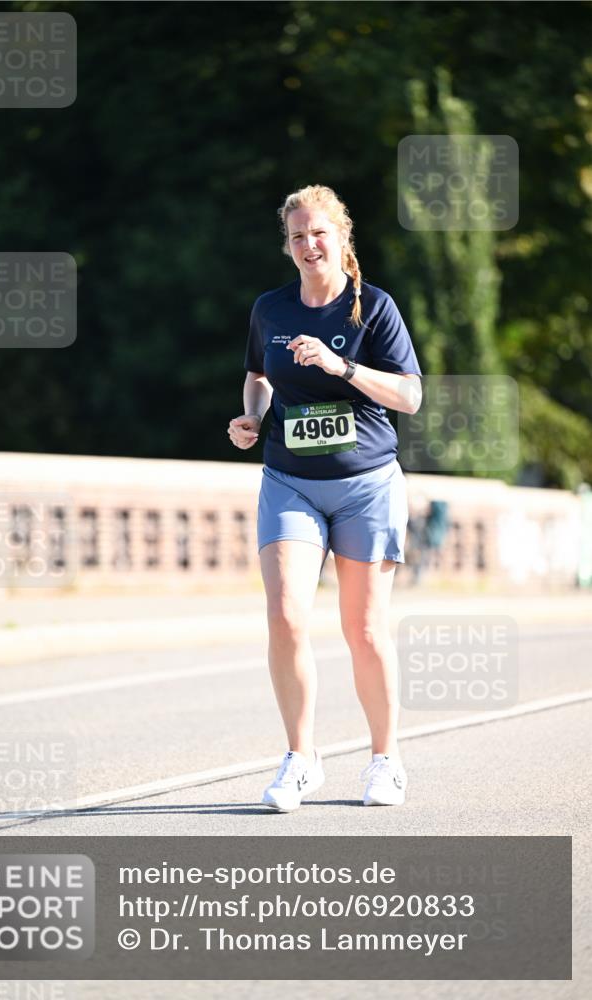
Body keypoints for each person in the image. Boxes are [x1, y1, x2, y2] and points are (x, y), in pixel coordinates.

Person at [228, 184, 422, 812]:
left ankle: (385, 761)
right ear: (287, 247)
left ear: (341, 237)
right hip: (289, 480)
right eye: (297, 236)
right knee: (286, 617)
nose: (309, 244)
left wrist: (342, 369)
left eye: (319, 233)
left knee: (363, 629)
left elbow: (410, 397)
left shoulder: (374, 309)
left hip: (367, 485)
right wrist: (252, 418)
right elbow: (258, 376)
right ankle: (301, 759)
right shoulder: (271, 309)